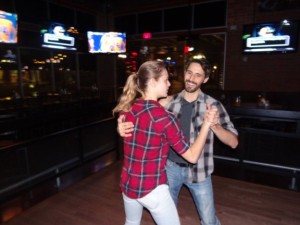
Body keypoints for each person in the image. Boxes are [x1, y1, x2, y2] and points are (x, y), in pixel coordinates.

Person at [117, 58, 239, 225]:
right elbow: (138, 112)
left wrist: (215, 125)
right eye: (189, 73)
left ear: (205, 79)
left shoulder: (213, 105)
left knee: (209, 221)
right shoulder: (167, 102)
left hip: (199, 171)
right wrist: (121, 127)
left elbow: (233, 143)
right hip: (169, 170)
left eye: (198, 75)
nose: (191, 78)